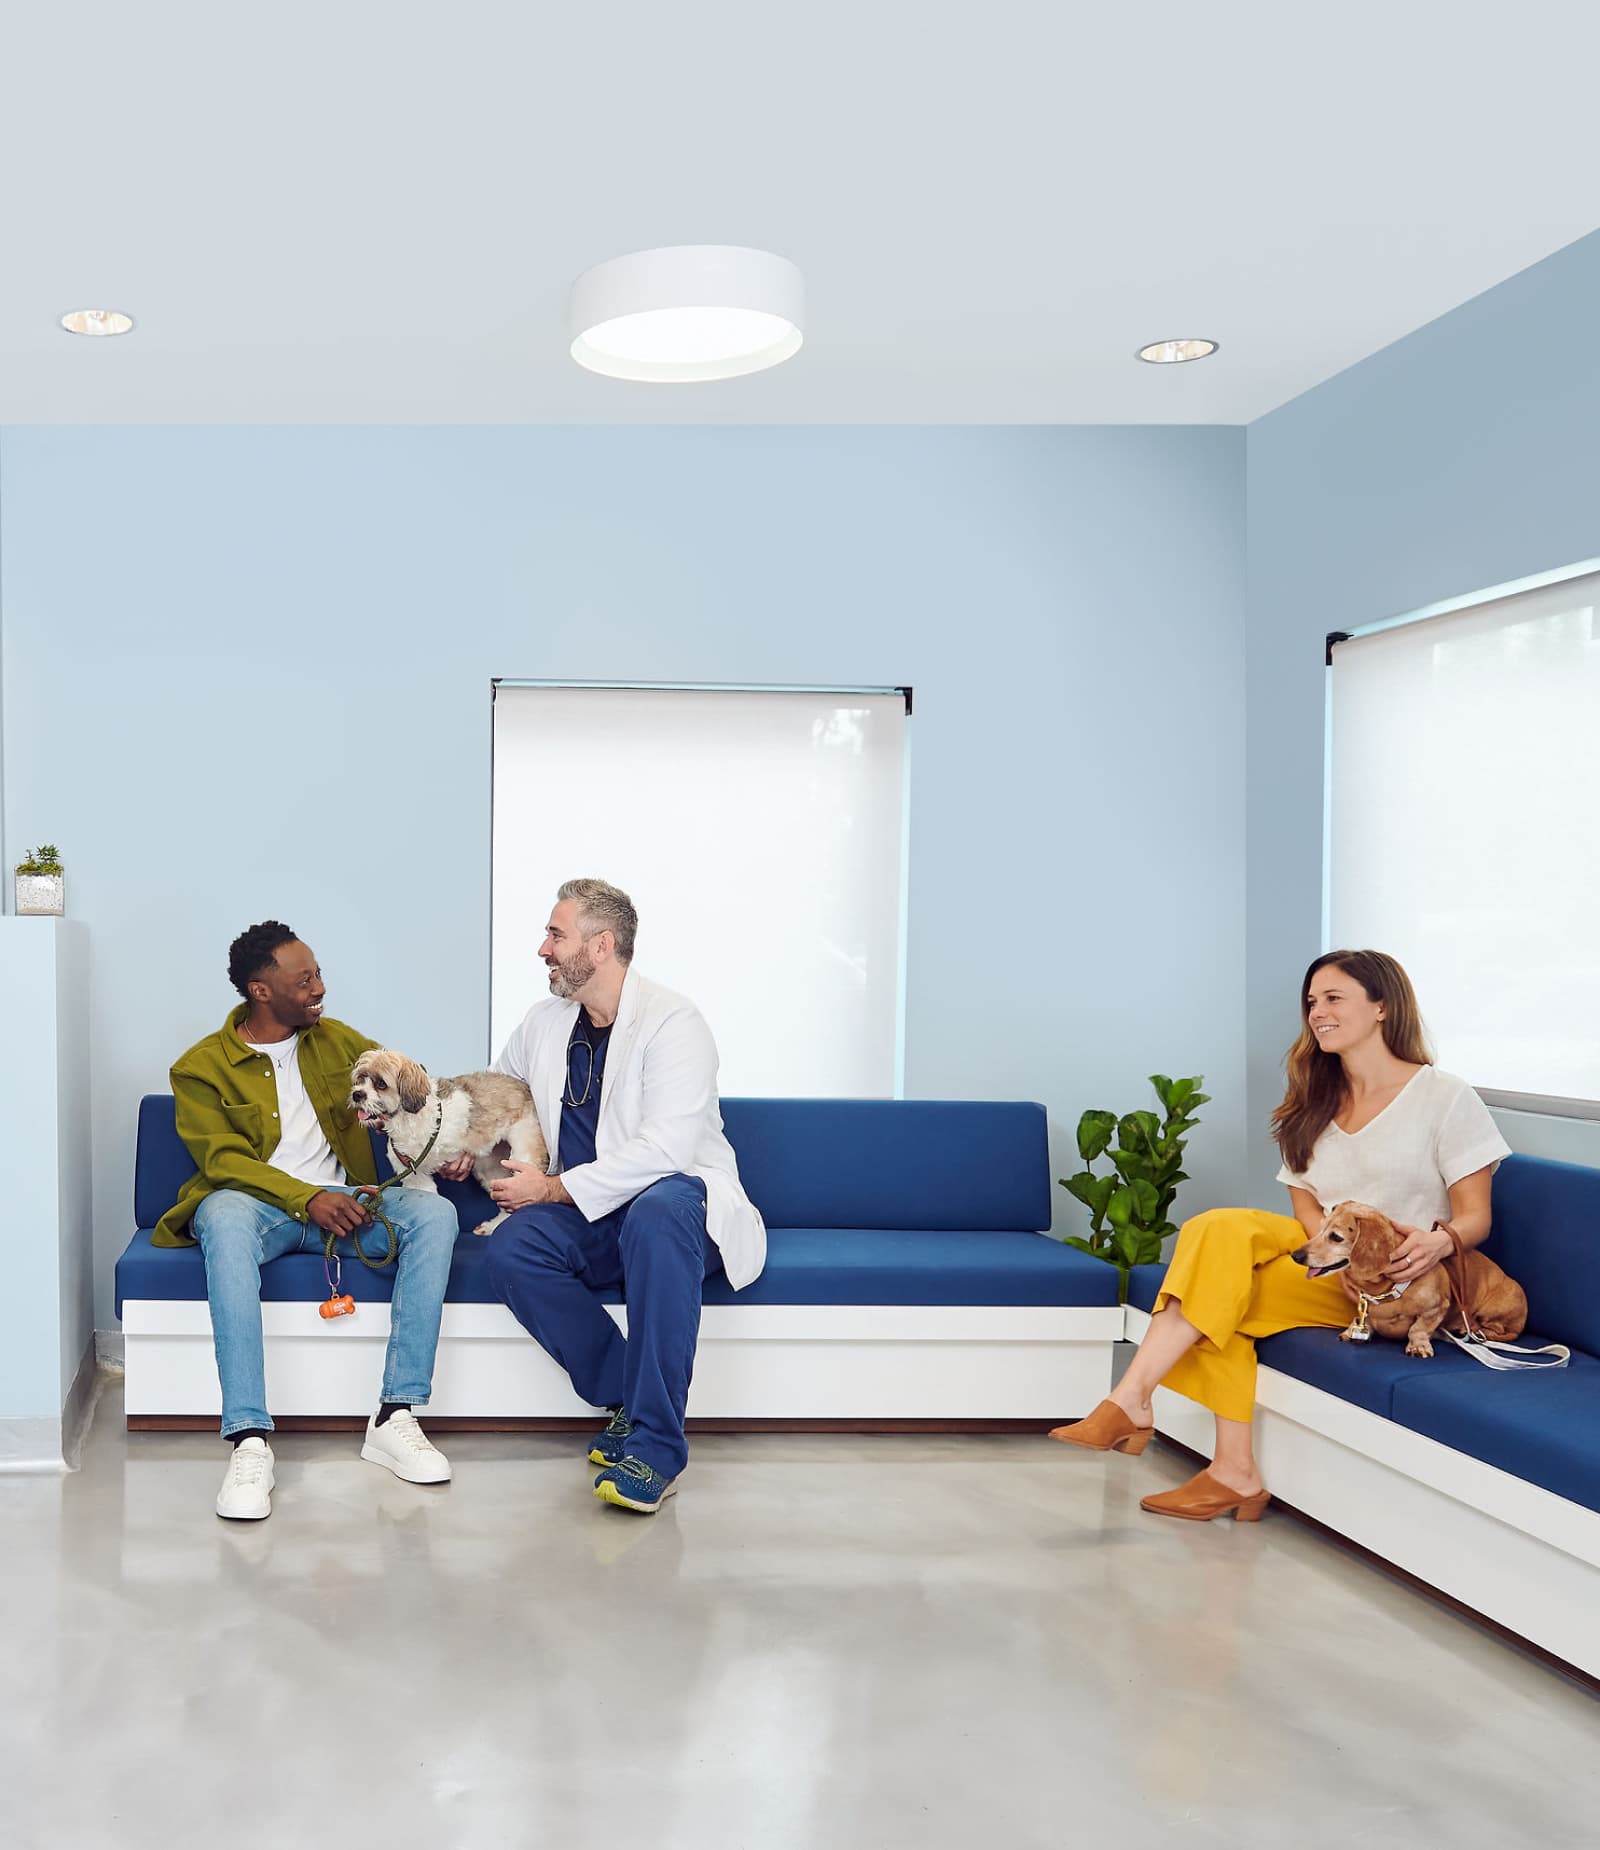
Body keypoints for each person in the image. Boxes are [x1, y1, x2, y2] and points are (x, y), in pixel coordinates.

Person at [1049, 949, 1511, 1519]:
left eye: (1333, 998)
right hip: (1332, 1275)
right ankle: (1211, 1456)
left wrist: (1438, 1242)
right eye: (1312, 1002)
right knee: (1218, 1235)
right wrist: (1331, 1258)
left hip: (1396, 1290)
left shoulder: (1444, 1097)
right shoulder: (1311, 1104)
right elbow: (1306, 1218)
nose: (1317, 1012)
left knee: (1218, 1292)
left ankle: (1145, 1412)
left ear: (1383, 1007)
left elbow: (1475, 1217)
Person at [471, 878, 765, 1514]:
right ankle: (627, 1395)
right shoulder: (543, 1023)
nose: (541, 948)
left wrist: (551, 1187)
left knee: (657, 1212)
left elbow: (666, 1150)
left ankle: (658, 1448)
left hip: (679, 1208)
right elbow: (503, 1103)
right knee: (515, 1248)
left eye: (556, 935)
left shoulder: (673, 1022)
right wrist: (467, 1152)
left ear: (601, 946)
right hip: (591, 1214)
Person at [156, 921, 460, 1521]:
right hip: (258, 1204)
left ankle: (395, 1415)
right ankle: (248, 1438)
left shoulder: (339, 1041)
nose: (320, 987)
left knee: (435, 1214)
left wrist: (447, 1141)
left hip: (346, 1201)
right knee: (219, 1216)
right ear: (260, 990)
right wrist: (304, 1198)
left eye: (317, 972)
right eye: (305, 980)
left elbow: (407, 1086)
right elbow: (223, 1160)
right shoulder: (199, 1068)